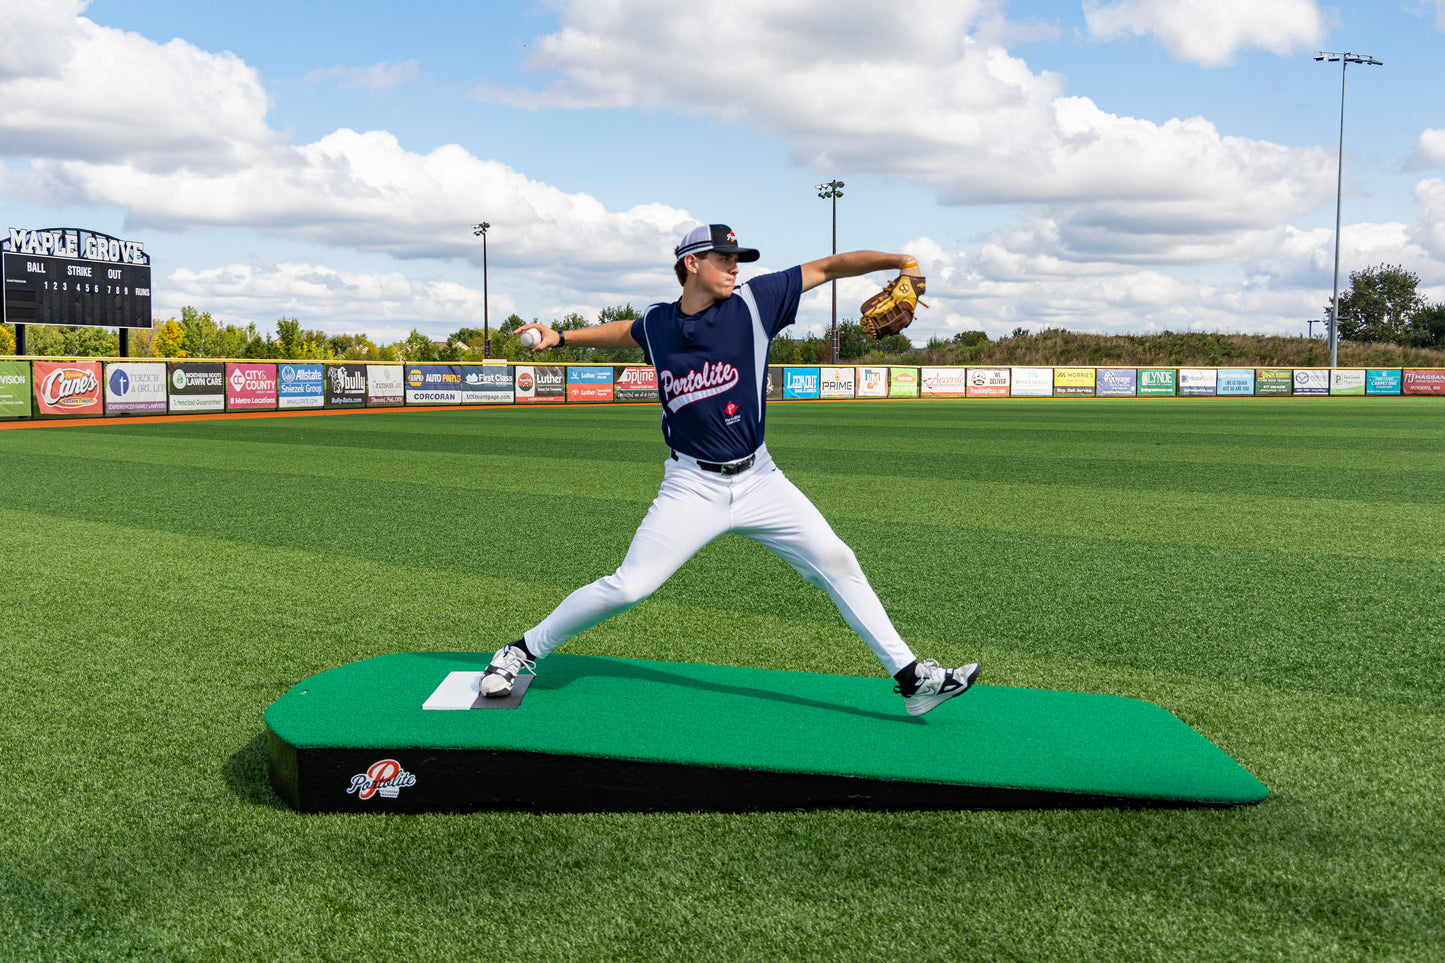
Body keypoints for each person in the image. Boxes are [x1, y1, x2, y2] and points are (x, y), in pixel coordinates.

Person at [484, 224, 980, 717]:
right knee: (630, 586)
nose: (735, 266)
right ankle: (521, 651)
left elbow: (828, 267)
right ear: (692, 264)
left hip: (761, 480)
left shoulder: (754, 302)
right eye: (724, 258)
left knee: (837, 559)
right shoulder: (659, 322)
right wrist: (563, 337)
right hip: (690, 486)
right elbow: (628, 333)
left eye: (737, 258)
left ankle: (913, 678)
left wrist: (899, 261)